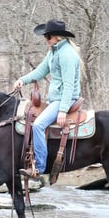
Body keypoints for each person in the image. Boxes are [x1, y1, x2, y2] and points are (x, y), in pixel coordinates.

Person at [13, 19, 83, 181]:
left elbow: (68, 86)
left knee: (38, 125)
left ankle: (39, 168)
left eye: (48, 37)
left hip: (65, 99)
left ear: (57, 37)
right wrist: (23, 80)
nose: (46, 40)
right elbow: (40, 71)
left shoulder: (66, 55)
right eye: (45, 37)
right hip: (56, 99)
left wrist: (63, 110)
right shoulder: (54, 52)